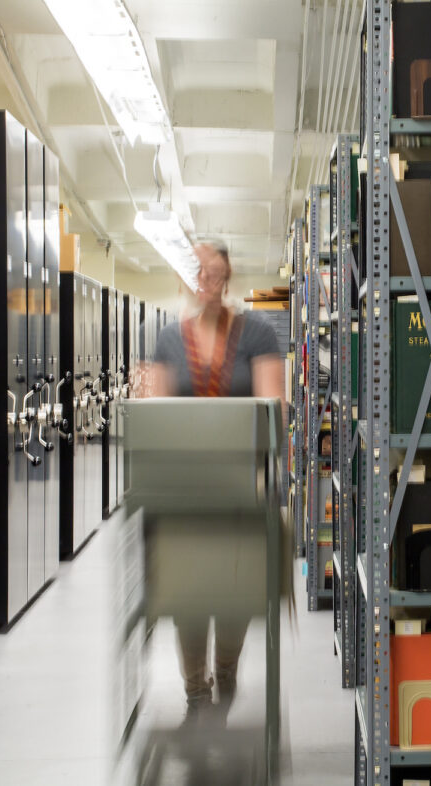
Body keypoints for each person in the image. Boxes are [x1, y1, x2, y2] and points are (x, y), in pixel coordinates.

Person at [148, 240, 285, 725]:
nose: (210, 284)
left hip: (241, 493)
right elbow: (155, 416)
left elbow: (273, 411)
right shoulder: (168, 340)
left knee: (234, 594)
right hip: (185, 494)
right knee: (187, 595)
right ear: (190, 278)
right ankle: (195, 693)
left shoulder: (258, 334)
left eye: (218, 276)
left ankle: (225, 671)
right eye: (202, 275)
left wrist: (265, 478)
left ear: (227, 280)